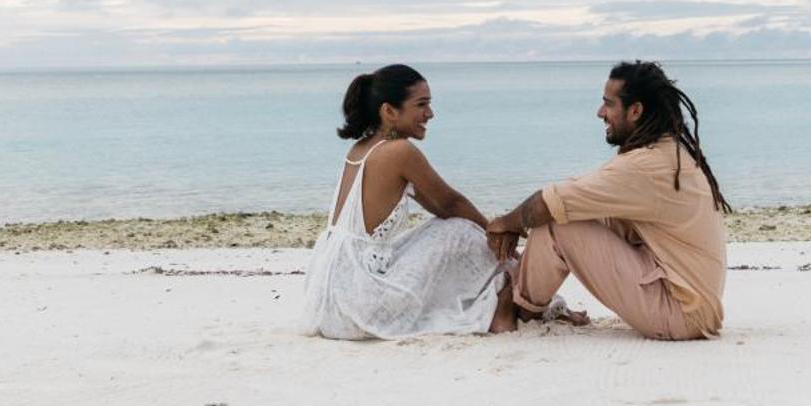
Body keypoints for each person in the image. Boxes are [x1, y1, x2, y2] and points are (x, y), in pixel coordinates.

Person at [486, 61, 730, 340]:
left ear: (635, 110)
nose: (600, 113)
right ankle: (528, 302)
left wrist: (505, 224)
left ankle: (520, 309)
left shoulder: (646, 166)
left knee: (555, 221)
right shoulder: (663, 154)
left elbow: (548, 203)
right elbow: (579, 200)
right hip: (689, 303)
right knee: (572, 211)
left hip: (681, 312)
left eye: (608, 104)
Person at [300, 64, 517, 339]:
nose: (430, 114)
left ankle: (508, 293)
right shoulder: (399, 151)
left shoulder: (361, 148)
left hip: (326, 304)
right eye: (421, 104)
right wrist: (498, 237)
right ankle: (513, 302)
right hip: (360, 304)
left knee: (452, 227)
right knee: (460, 231)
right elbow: (451, 204)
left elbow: (439, 205)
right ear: (389, 111)